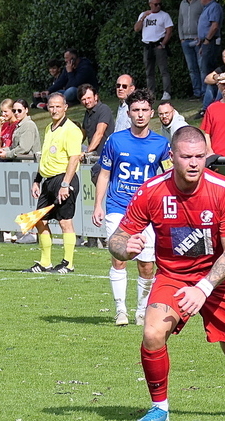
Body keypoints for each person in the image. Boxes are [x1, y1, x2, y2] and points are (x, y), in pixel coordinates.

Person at [108, 125, 225, 421]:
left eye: (199, 156)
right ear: (171, 157)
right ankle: (160, 408)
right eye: (186, 157)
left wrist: (203, 288)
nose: (193, 163)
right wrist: (124, 249)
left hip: (221, 282)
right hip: (174, 278)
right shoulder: (151, 191)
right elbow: (116, 239)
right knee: (152, 333)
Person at [93, 88, 172, 327]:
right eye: (135, 110)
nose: (140, 114)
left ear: (151, 113)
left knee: (147, 264)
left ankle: (141, 311)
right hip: (118, 207)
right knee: (119, 258)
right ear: (128, 113)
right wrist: (98, 205)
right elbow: (104, 174)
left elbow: (169, 176)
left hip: (147, 212)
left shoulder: (161, 144)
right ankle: (120, 310)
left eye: (144, 110)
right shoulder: (115, 141)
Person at [27, 93, 83, 274]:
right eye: (51, 106)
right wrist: (37, 179)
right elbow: (46, 157)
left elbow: (74, 159)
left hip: (63, 178)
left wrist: (65, 184)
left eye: (58, 106)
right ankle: (45, 262)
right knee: (40, 220)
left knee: (65, 222)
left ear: (65, 107)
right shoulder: (48, 128)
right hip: (48, 180)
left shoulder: (72, 130)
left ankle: (68, 263)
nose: (54, 110)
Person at [135, 0, 175, 101]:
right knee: (149, 72)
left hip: (158, 44)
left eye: (159, 4)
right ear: (150, 4)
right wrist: (143, 17)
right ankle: (150, 93)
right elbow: (137, 28)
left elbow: (169, 31)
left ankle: (166, 92)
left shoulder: (164, 15)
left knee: (163, 70)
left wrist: (163, 44)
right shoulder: (144, 15)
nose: (158, 6)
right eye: (155, 4)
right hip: (147, 45)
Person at [79, 83, 114, 182]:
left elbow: (99, 133)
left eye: (89, 98)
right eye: (83, 99)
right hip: (96, 158)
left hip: (106, 158)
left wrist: (87, 152)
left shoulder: (103, 109)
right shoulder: (88, 113)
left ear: (96, 97)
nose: (87, 101)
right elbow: (83, 134)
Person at [197, 0, 224, 114]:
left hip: (212, 43)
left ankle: (209, 103)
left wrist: (207, 39)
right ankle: (208, 101)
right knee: (205, 71)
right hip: (205, 42)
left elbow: (214, 25)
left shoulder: (214, 7)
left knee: (209, 73)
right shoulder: (206, 9)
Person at [177, 0, 204, 99]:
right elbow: (180, 21)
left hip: (198, 39)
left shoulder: (200, 2)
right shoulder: (182, 4)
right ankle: (196, 92)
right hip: (186, 40)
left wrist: (202, 36)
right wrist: (181, 38)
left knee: (201, 66)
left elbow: (204, 20)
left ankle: (204, 92)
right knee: (192, 68)